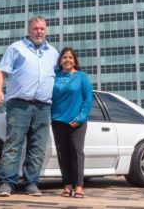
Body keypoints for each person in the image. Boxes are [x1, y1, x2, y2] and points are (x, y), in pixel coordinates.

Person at [0, 15, 59, 197]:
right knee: (13, 144)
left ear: (45, 31)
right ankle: (7, 183)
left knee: (37, 147)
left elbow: (59, 77)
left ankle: (31, 183)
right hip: (19, 105)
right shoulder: (16, 48)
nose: (39, 32)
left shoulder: (53, 53)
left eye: (42, 29)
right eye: (36, 28)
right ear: (29, 30)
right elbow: (1, 71)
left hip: (43, 107)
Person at [51, 47, 93, 198]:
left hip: (76, 122)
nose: (67, 60)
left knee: (76, 153)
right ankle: (67, 185)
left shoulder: (81, 76)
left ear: (74, 60)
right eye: (64, 57)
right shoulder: (54, 76)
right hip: (57, 121)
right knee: (63, 155)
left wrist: (81, 117)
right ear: (60, 61)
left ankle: (79, 186)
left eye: (70, 57)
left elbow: (88, 99)